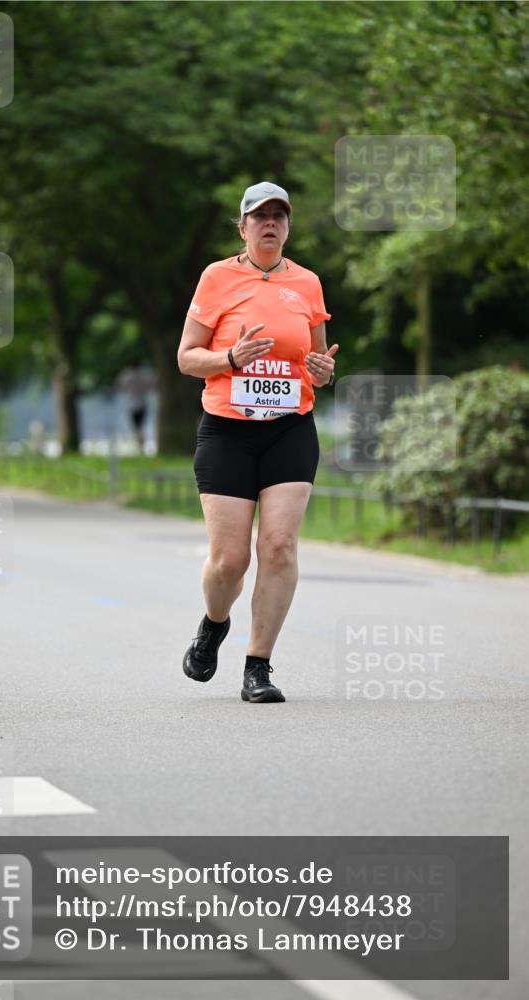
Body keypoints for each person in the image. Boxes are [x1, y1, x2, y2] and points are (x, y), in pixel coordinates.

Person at [177, 181, 338, 703]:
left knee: (279, 546)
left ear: (288, 225)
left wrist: (322, 370)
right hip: (227, 430)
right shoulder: (217, 277)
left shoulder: (308, 284)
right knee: (230, 561)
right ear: (242, 225)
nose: (270, 223)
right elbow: (186, 356)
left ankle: (258, 665)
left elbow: (316, 367)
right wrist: (229, 360)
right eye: (259, 216)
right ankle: (214, 623)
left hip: (289, 428)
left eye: (279, 216)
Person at [115, 361, 155, 453]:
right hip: (142, 404)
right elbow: (151, 385)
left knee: (137, 426)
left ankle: (139, 445)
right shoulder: (143, 375)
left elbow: (119, 386)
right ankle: (141, 444)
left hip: (132, 405)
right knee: (140, 426)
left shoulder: (127, 376)